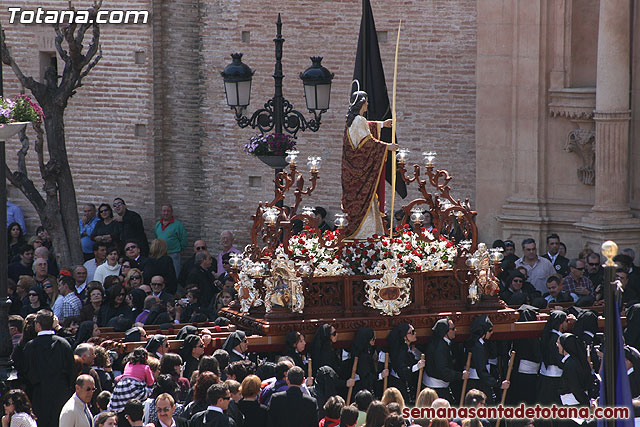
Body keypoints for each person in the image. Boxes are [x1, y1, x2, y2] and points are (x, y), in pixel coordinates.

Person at [341, 89, 397, 239]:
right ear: (361, 103)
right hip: (361, 172)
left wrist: (382, 124)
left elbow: (363, 130)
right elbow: (367, 143)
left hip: (355, 173)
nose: (368, 104)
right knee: (368, 204)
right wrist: (387, 147)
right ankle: (366, 236)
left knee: (369, 203)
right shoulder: (359, 120)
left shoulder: (354, 120)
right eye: (366, 101)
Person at [24, 310, 75, 427]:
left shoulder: (31, 346)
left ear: (38, 325)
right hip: (62, 394)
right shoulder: (64, 344)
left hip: (39, 396)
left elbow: (27, 373)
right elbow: (71, 371)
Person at [465, 315, 509, 404]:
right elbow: (481, 371)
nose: (491, 333)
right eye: (489, 331)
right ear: (482, 332)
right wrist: (498, 384)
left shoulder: (476, 344)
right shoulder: (478, 347)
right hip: (479, 383)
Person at [424, 318, 468, 403]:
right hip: (437, 387)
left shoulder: (441, 343)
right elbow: (442, 370)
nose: (455, 330)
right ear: (445, 332)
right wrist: (460, 375)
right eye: (452, 329)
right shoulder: (440, 347)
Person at [386, 323, 424, 402]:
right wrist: (417, 366)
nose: (415, 334)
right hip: (399, 384)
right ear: (404, 337)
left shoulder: (407, 348)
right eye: (412, 332)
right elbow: (402, 370)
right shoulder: (401, 351)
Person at [538, 310, 569, 405]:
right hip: (555, 377)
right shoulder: (555, 340)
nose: (567, 323)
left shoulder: (550, 336)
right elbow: (558, 359)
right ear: (560, 323)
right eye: (566, 321)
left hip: (547, 375)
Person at [154, 204, 187, 277]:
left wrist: (178, 249)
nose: (166, 213)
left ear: (172, 212)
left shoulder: (178, 225)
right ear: (161, 212)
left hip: (173, 254)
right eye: (164, 211)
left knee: (175, 274)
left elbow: (183, 239)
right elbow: (156, 237)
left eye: (168, 211)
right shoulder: (158, 224)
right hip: (160, 255)